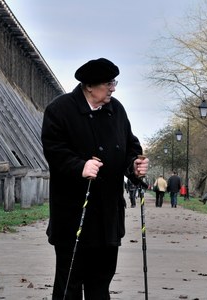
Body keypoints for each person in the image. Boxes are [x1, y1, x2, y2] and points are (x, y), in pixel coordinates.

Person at [41, 57, 149, 300]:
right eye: (108, 83)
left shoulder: (117, 110)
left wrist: (135, 165)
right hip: (73, 217)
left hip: (108, 218)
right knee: (69, 283)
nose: (113, 88)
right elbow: (54, 150)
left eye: (114, 82)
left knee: (100, 283)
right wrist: (80, 166)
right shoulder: (60, 110)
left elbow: (130, 146)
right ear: (89, 86)